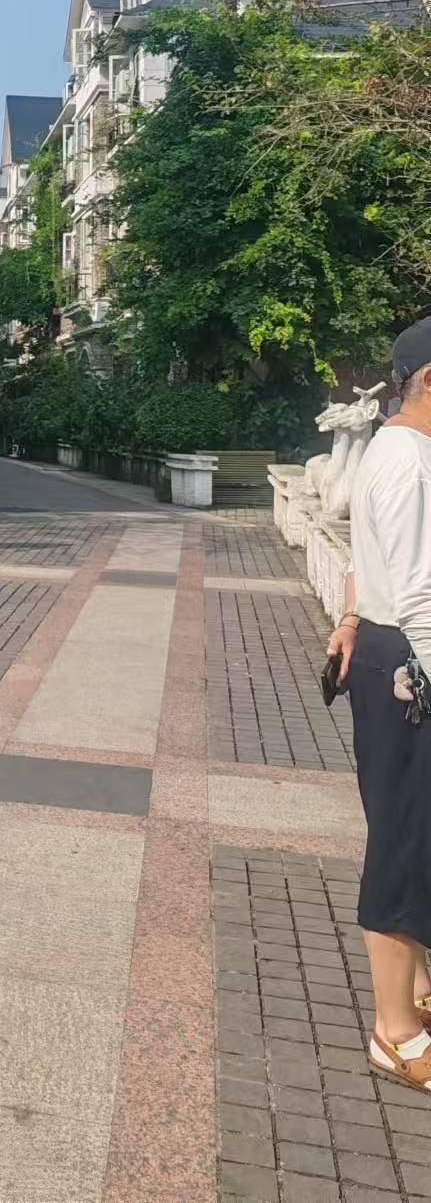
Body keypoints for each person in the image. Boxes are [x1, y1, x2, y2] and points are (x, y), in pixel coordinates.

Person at [328, 317, 431, 1092]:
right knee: (402, 841)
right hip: (409, 663)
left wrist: (348, 616)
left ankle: (415, 990)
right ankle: (394, 1032)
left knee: (412, 833)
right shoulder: (409, 460)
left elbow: (368, 561)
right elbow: (420, 591)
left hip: (389, 650)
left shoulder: (393, 450)